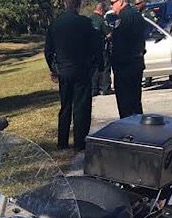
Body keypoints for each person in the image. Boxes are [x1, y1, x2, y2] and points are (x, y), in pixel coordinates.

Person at [45, 0, 103, 151]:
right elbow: (96, 46)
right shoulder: (85, 23)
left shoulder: (55, 24)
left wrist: (53, 68)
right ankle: (79, 142)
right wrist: (100, 65)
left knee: (65, 106)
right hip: (82, 70)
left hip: (64, 70)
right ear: (79, 5)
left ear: (65, 4)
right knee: (81, 107)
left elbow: (48, 50)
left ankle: (62, 141)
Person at [110, 0, 147, 118]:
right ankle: (139, 130)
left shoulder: (124, 17)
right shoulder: (137, 15)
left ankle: (129, 131)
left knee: (125, 104)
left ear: (120, 1)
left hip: (125, 65)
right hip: (136, 62)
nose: (112, 6)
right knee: (136, 101)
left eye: (113, 3)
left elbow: (119, 43)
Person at [89, 2, 113, 96]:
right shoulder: (101, 20)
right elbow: (108, 34)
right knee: (105, 66)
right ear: (101, 10)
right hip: (101, 47)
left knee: (94, 68)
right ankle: (105, 88)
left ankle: (94, 89)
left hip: (90, 49)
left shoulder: (89, 19)